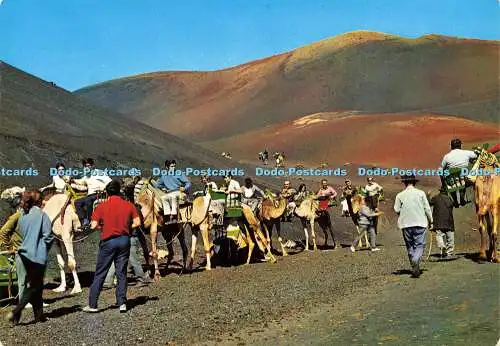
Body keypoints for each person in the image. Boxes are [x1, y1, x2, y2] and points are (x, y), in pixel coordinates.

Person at [83, 180, 141, 313]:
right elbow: (137, 222)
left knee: (100, 272)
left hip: (108, 242)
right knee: (121, 272)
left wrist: (102, 227)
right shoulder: (129, 205)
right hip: (124, 240)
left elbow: (93, 226)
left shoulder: (101, 206)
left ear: (107, 193)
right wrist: (126, 227)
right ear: (119, 192)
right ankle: (122, 303)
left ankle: (92, 304)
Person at [6, 190, 54, 325]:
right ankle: (16, 312)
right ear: (39, 201)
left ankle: (39, 316)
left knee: (37, 286)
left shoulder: (23, 216)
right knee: (34, 287)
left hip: (23, 253)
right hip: (36, 256)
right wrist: (45, 248)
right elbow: (48, 236)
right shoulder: (42, 215)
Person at [394, 174, 433, 278]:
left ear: (405, 183)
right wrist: (431, 220)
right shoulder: (420, 193)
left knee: (410, 245)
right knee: (419, 245)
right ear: (414, 182)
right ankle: (416, 261)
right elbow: (427, 208)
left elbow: (396, 209)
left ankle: (415, 267)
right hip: (420, 222)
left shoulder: (400, 195)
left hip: (406, 224)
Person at [73, 158, 112, 227]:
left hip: (100, 193)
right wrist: (71, 180)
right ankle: (84, 219)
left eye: (88, 166)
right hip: (90, 195)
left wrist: (104, 188)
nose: (87, 167)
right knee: (77, 202)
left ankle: (90, 219)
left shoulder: (99, 172)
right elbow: (80, 182)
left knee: (88, 200)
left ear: (92, 166)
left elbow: (109, 181)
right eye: (86, 166)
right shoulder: (86, 176)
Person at [440, 138, 478, 207]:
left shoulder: (447, 156)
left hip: (452, 180)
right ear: (460, 146)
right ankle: (462, 197)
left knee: (450, 180)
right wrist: (471, 160)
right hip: (464, 179)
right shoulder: (466, 153)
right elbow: (477, 155)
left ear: (451, 146)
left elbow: (441, 169)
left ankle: (455, 201)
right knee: (462, 177)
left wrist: (443, 183)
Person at [430, 186, 455, 258]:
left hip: (438, 222)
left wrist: (428, 195)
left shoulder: (436, 198)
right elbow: (452, 206)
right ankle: (449, 253)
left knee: (439, 235)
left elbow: (429, 203)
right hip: (449, 221)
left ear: (440, 191)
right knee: (450, 237)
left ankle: (442, 246)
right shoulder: (449, 199)